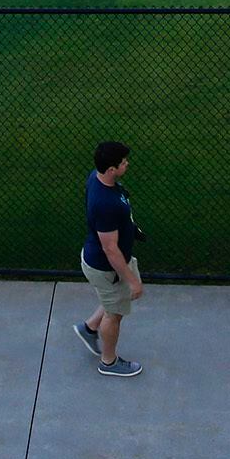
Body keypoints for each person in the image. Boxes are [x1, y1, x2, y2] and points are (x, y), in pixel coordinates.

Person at [72, 141, 144, 377]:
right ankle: (109, 362)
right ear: (111, 169)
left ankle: (89, 329)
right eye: (123, 162)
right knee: (115, 313)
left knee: (113, 299)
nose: (127, 164)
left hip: (105, 266)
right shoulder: (105, 204)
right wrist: (131, 280)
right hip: (107, 268)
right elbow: (110, 249)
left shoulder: (97, 178)